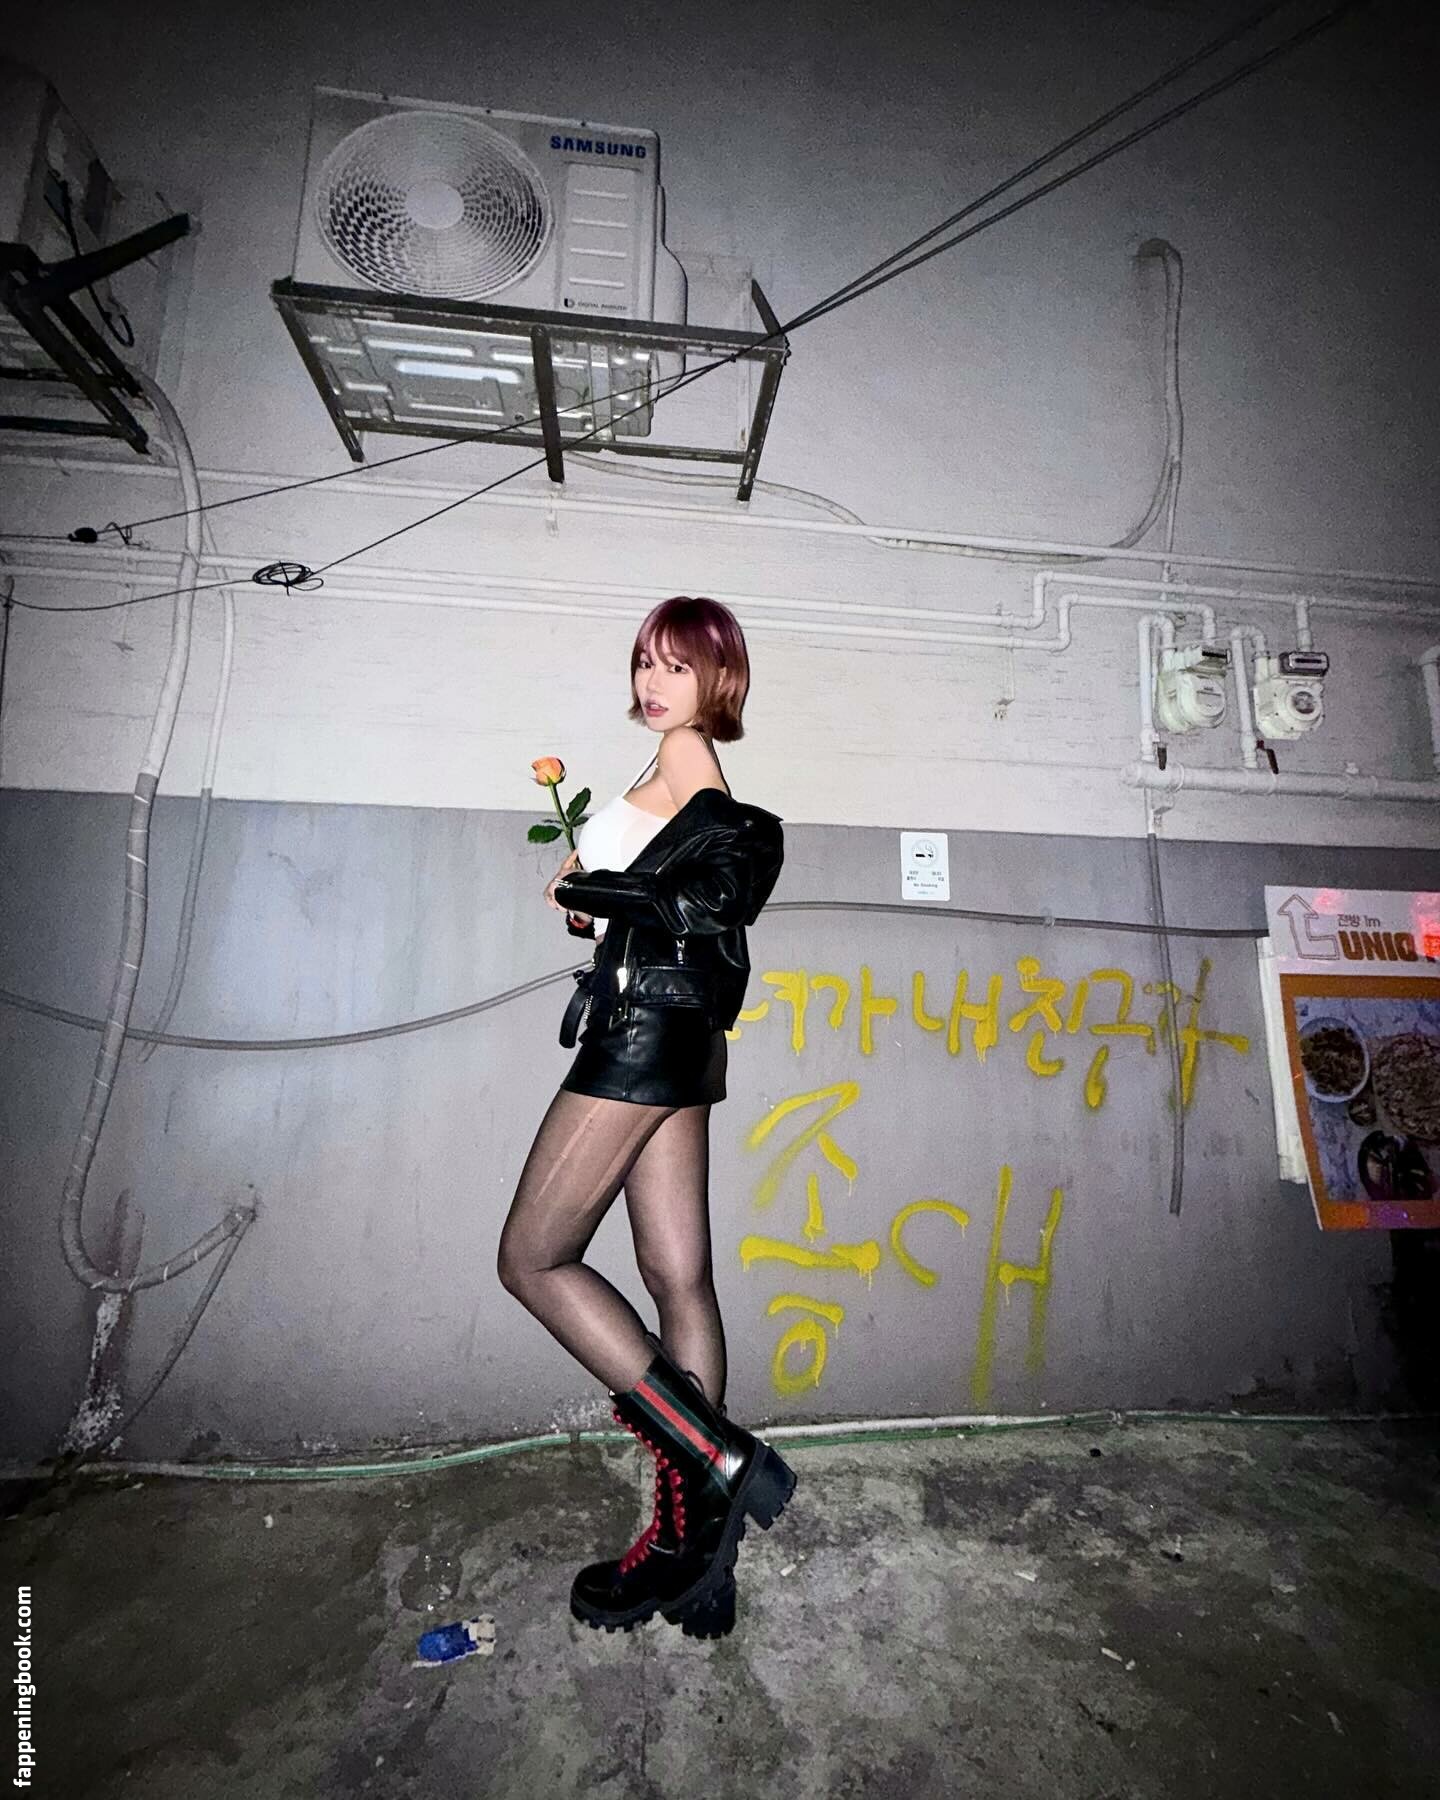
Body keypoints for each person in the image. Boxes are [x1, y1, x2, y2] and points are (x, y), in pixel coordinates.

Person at [497, 595, 795, 1640]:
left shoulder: (683, 750)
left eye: (677, 664)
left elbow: (726, 875)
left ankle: (714, 1457)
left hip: (640, 1035)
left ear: (719, 677)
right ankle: (696, 1558)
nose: (654, 682)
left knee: (532, 1259)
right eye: (645, 663)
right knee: (678, 1277)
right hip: (679, 1035)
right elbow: (663, 893)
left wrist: (604, 895)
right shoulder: (660, 763)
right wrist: (592, 894)